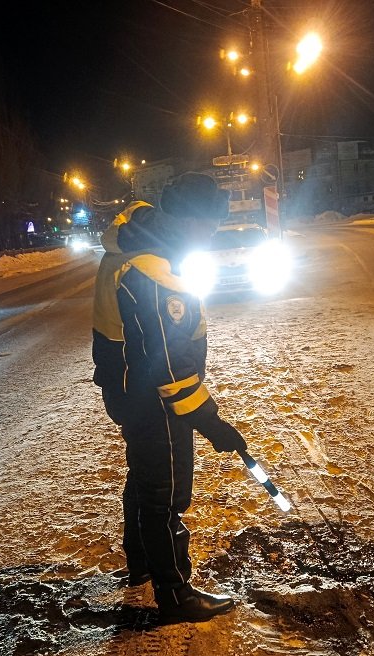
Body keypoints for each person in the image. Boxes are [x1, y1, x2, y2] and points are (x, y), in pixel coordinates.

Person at [91, 172, 246, 624]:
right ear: (189, 220)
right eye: (210, 222)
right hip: (154, 399)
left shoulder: (137, 238)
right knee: (166, 492)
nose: (214, 231)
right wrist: (211, 421)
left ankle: (141, 562)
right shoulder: (153, 269)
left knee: (143, 478)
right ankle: (175, 592)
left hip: (125, 386)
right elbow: (169, 366)